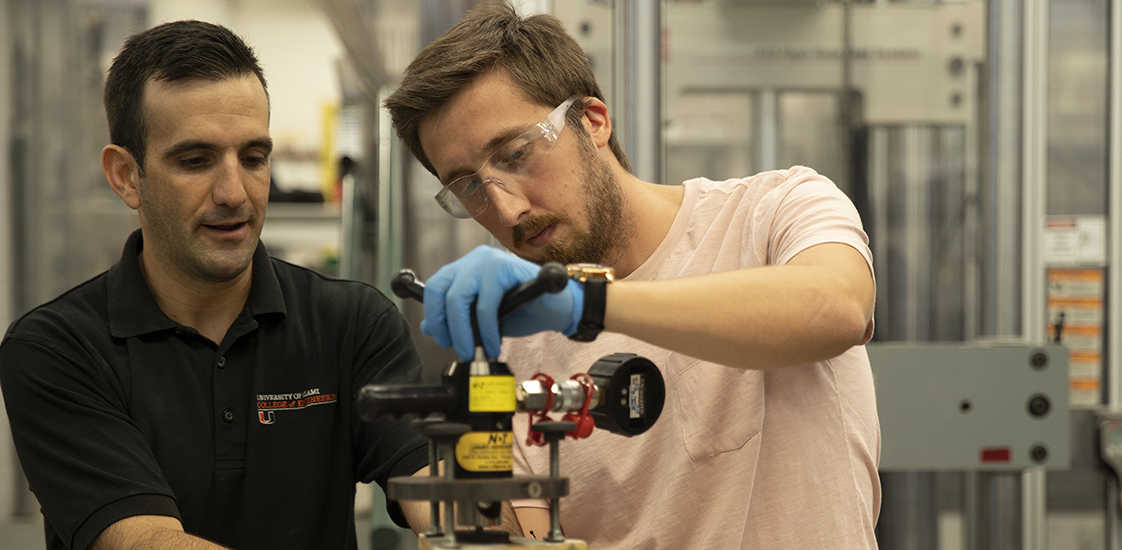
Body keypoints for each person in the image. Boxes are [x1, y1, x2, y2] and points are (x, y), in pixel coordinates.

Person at [383, 3, 880, 549]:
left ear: (592, 121)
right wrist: (452, 497)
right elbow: (522, 528)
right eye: (467, 188)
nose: (505, 210)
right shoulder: (512, 347)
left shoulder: (774, 210)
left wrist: (586, 304)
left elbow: (837, 309)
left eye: (515, 154)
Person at [0, 21, 429, 550]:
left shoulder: (352, 324)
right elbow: (145, 541)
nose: (233, 192)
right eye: (195, 161)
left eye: (253, 158)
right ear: (126, 176)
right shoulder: (58, 348)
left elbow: (433, 490)